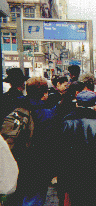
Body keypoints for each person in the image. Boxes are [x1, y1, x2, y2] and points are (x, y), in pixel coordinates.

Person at [54, 90, 96, 205]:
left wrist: (57, 174)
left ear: (76, 104)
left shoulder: (66, 122)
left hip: (71, 176)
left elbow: (57, 151)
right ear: (95, 105)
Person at [6, 76, 58, 206]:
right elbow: (50, 143)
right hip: (38, 165)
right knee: (35, 197)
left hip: (16, 161)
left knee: (18, 196)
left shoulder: (15, 107)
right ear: (44, 93)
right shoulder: (47, 114)